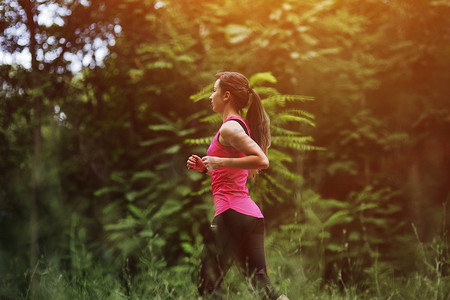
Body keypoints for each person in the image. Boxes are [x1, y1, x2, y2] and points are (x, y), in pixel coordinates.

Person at [187, 72, 289, 300]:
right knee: (264, 288)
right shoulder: (237, 127)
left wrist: (217, 161)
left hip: (231, 213)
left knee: (208, 285)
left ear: (227, 96)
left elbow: (262, 160)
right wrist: (205, 168)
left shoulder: (229, 128)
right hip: (251, 216)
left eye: (214, 91)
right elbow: (232, 174)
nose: (210, 96)